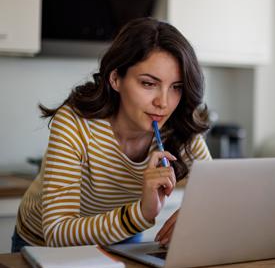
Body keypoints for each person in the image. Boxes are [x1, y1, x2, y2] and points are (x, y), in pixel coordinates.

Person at [12, 17, 211, 252]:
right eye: (148, 84)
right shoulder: (75, 123)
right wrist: (141, 214)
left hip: (121, 237)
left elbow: (218, 194)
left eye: (176, 87)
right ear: (116, 78)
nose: (163, 103)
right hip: (42, 245)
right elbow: (57, 231)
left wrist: (196, 214)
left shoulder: (179, 128)